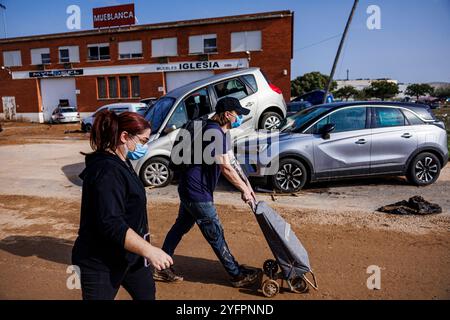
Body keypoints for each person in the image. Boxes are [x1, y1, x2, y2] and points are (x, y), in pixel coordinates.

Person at [153, 97, 260, 288]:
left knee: (180, 227)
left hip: (190, 189)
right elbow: (225, 167)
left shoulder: (221, 132)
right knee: (215, 233)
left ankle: (161, 266)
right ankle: (236, 275)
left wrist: (248, 186)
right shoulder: (213, 132)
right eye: (237, 114)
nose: (239, 118)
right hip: (197, 193)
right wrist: (243, 190)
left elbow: (232, 162)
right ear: (227, 114)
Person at [72, 110, 173, 300]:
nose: (146, 146)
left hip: (130, 255)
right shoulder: (106, 171)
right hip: (100, 260)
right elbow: (110, 222)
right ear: (124, 136)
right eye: (143, 141)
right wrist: (149, 250)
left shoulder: (122, 161)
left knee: (146, 294)